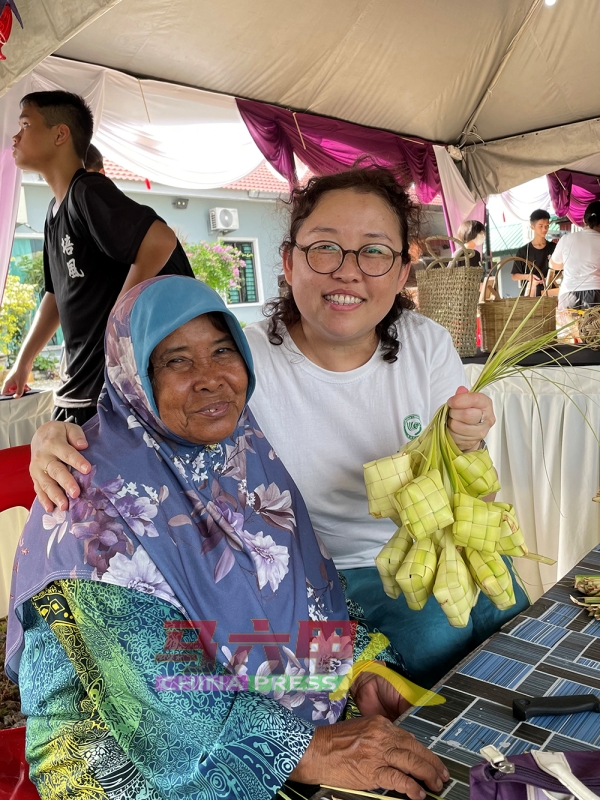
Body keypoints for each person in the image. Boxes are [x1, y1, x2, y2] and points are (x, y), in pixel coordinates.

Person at [29, 164, 529, 688]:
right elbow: (143, 425)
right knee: (438, 647)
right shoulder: (239, 360)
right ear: (289, 262)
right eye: (325, 247)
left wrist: (463, 442)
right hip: (312, 582)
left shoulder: (425, 343)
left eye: (376, 251)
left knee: (514, 625)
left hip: (428, 548)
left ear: (404, 271)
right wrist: (55, 435)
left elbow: (458, 474)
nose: (348, 271)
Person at [7, 276, 448, 800]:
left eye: (222, 350)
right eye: (176, 360)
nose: (210, 377)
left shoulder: (242, 457)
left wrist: (355, 671)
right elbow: (164, 701)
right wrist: (315, 750)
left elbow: (303, 599)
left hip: (259, 706)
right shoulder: (93, 505)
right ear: (134, 375)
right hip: (123, 753)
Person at [1, 90, 194, 425]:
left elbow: (159, 241)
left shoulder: (87, 191)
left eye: (26, 125)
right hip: (80, 385)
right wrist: (24, 361)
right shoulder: (53, 212)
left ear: (60, 134)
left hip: (110, 392)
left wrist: (116, 321)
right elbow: (55, 296)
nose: (16, 136)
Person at [550, 200, 600, 310]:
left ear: (583, 220)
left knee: (570, 327)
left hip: (568, 296)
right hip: (596, 294)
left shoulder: (567, 239)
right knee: (593, 327)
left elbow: (553, 264)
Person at [510, 209, 556, 297]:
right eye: (540, 226)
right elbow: (514, 276)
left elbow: (560, 271)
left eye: (547, 225)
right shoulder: (523, 251)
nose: (544, 229)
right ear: (532, 227)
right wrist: (528, 277)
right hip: (530, 295)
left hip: (550, 293)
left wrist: (550, 278)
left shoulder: (553, 247)